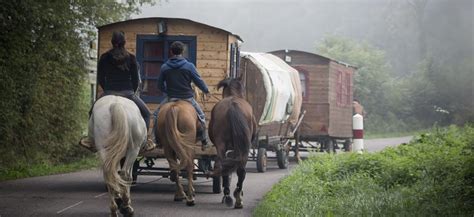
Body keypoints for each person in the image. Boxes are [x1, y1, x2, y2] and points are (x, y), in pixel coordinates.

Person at [80, 31, 155, 152]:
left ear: (112, 42)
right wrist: (132, 92)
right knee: (146, 113)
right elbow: (136, 79)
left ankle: (90, 140)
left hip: (109, 91)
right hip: (128, 93)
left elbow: (101, 77)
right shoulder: (131, 58)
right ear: (124, 42)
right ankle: (145, 142)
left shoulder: (105, 57)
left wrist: (106, 90)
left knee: (91, 112)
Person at [154, 41, 211, 148]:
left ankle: (156, 140)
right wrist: (206, 90)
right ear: (182, 51)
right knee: (202, 116)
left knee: (156, 115)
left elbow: (159, 85)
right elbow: (198, 81)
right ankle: (204, 141)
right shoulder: (189, 66)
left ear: (171, 51)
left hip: (171, 98)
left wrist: (168, 91)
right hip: (187, 98)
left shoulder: (165, 67)